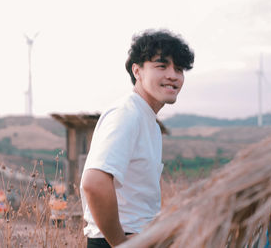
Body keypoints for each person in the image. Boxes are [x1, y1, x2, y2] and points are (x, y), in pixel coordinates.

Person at [80, 29, 194, 247]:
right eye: (161, 66)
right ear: (137, 71)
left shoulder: (145, 118)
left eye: (178, 69)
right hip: (117, 239)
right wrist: (119, 243)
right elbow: (94, 183)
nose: (172, 75)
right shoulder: (127, 114)